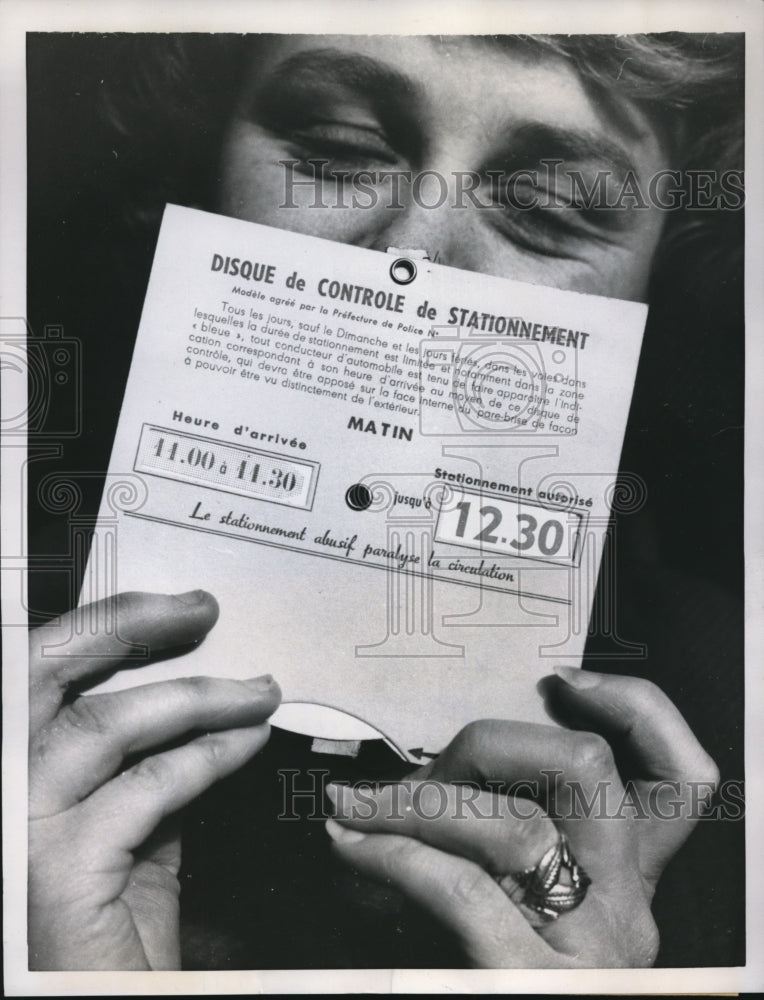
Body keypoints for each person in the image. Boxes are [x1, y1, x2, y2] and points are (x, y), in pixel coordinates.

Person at [26, 32, 744, 970]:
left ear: (657, 288)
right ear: (195, 173)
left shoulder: (730, 696)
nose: (412, 255)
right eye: (337, 150)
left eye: (549, 207)